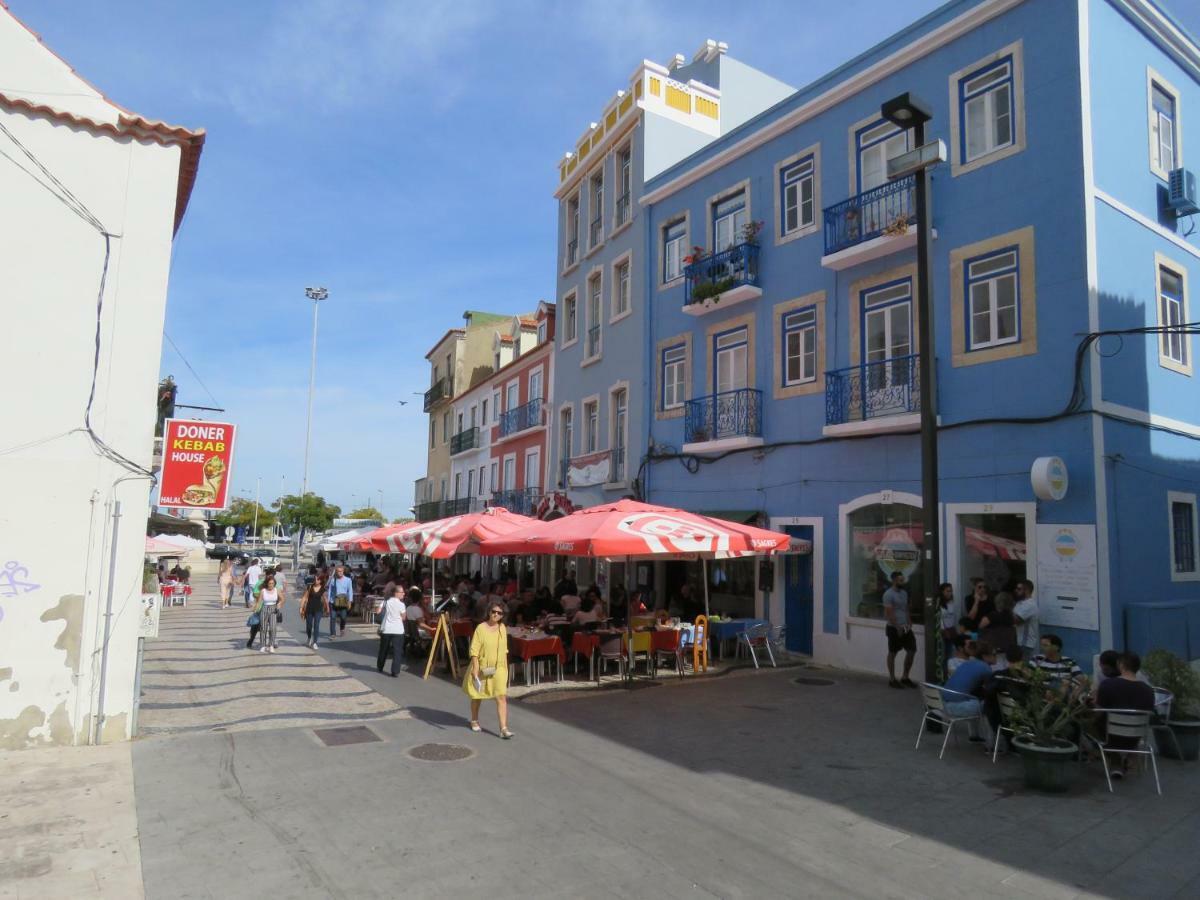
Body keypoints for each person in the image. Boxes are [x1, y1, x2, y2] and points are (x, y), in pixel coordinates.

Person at [1095, 652, 1156, 779]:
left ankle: (1115, 760)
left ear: (1120, 665)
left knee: (1088, 723)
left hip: (1111, 737)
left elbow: (1099, 713)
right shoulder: (1148, 690)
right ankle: (1130, 756)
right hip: (1135, 737)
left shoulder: (1108, 685)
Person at [463, 602, 512, 739]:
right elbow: (474, 650)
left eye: (499, 613)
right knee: (477, 696)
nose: (496, 614)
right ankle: (474, 719)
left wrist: (505, 667)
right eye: (493, 611)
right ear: (489, 612)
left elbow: (504, 650)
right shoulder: (481, 628)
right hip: (483, 666)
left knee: (501, 696)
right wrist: (475, 667)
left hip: (499, 667)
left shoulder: (502, 628)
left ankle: (503, 728)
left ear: (503, 615)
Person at [941, 641, 996, 742]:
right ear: (984, 656)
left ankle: (974, 734)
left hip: (943, 705)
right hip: (958, 707)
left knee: (975, 699)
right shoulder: (986, 668)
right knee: (991, 705)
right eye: (994, 654)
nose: (996, 657)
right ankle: (991, 743)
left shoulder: (967, 663)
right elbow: (991, 689)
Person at [882, 570, 916, 689]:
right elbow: (889, 613)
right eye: (900, 580)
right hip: (893, 627)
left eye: (903, 579)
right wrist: (897, 627)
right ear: (894, 580)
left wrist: (909, 621)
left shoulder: (904, 593)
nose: (902, 582)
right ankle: (892, 679)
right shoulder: (888, 594)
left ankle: (905, 677)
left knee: (911, 650)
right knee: (893, 652)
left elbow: (905, 608)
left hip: (905, 626)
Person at [376, 586, 407, 677]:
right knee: (397, 651)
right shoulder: (402, 605)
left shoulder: (385, 602)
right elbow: (404, 617)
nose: (403, 594)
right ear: (396, 593)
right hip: (398, 630)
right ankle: (395, 671)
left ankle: (380, 666)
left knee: (383, 649)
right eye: (402, 592)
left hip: (386, 629)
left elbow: (377, 611)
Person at [978, 591, 1019, 659]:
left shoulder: (992, 616)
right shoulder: (1012, 617)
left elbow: (980, 627)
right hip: (1006, 649)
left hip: (992, 649)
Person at [1012, 579, 1039, 660]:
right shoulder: (1019, 603)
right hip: (1018, 642)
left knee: (1022, 667)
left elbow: (1016, 620)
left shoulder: (1030, 605)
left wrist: (1006, 607)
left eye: (1019, 589)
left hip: (1025, 643)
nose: (1016, 591)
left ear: (1026, 590)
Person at [300, 572, 328, 649]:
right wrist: (301, 608)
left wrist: (327, 608)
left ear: (321, 580)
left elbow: (325, 599)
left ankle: (315, 642)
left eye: (318, 579)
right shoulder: (310, 587)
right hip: (309, 609)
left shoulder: (323, 589)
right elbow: (305, 597)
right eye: (315, 579)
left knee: (316, 625)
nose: (316, 580)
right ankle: (309, 637)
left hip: (318, 609)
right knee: (309, 625)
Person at [257, 575, 282, 653]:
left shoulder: (276, 590)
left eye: (272, 583)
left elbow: (283, 599)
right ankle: (263, 645)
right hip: (264, 609)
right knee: (263, 628)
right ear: (267, 583)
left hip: (273, 609)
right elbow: (259, 601)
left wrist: (279, 604)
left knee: (273, 628)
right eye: (270, 583)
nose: (271, 585)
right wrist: (255, 610)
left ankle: (271, 645)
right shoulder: (263, 591)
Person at [327, 564, 354, 638]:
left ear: (343, 571)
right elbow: (329, 591)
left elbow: (350, 591)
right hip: (333, 602)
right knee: (332, 617)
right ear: (336, 572)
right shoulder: (333, 580)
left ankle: (342, 628)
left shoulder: (348, 580)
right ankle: (333, 633)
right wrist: (328, 601)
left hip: (343, 602)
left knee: (343, 617)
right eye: (338, 571)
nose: (340, 573)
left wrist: (350, 601)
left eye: (341, 571)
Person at [937, 582, 957, 662]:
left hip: (951, 629)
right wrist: (943, 630)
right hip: (943, 630)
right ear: (942, 592)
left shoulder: (951, 602)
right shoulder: (938, 603)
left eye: (951, 591)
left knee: (950, 652)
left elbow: (953, 616)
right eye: (947, 591)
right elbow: (939, 617)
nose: (950, 593)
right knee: (943, 653)